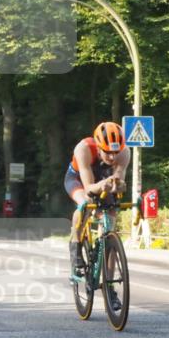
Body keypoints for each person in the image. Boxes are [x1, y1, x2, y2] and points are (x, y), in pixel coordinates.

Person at [64, 121, 130, 294]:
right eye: (107, 153)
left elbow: (118, 178)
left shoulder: (125, 152)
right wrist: (102, 186)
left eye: (115, 152)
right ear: (99, 146)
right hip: (78, 178)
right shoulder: (83, 149)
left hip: (104, 178)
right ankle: (76, 247)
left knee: (111, 219)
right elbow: (89, 188)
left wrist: (118, 185)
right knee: (85, 203)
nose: (112, 157)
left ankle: (109, 286)